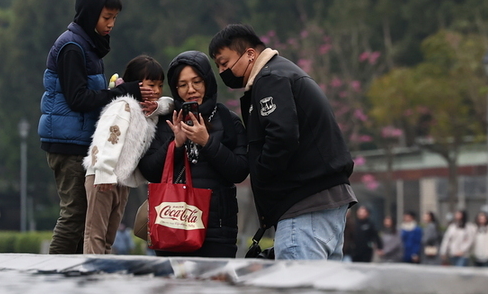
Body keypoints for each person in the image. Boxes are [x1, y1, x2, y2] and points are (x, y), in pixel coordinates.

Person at [209, 24, 357, 260]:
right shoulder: (284, 72)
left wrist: (264, 177)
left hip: (304, 206)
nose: (222, 70)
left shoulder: (270, 78)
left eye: (225, 63)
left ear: (250, 54)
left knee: (298, 293)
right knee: (320, 293)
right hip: (327, 202)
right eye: (218, 66)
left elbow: (282, 137)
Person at [38, 0, 154, 254]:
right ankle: (54, 273)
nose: (111, 24)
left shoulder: (88, 46)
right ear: (90, 14)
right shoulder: (72, 48)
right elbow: (77, 99)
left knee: (86, 219)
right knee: (75, 215)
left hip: (81, 142)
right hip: (67, 145)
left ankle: (76, 277)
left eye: (114, 18)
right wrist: (123, 92)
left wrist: (114, 93)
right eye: (106, 17)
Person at [139, 50, 249, 258]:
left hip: (217, 233)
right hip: (172, 227)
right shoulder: (166, 122)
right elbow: (149, 171)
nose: (191, 90)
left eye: (197, 81)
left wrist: (206, 142)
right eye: (182, 85)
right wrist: (176, 143)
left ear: (208, 81)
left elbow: (240, 171)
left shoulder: (228, 120)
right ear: (175, 88)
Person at [82, 55, 173, 254]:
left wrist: (157, 106)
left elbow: (171, 103)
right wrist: (104, 172)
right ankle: (91, 275)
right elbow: (104, 140)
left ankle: (101, 273)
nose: (156, 91)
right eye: (151, 84)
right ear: (136, 85)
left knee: (109, 237)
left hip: (122, 181)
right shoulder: (122, 106)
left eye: (160, 85)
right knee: (95, 233)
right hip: (103, 177)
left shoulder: (147, 110)